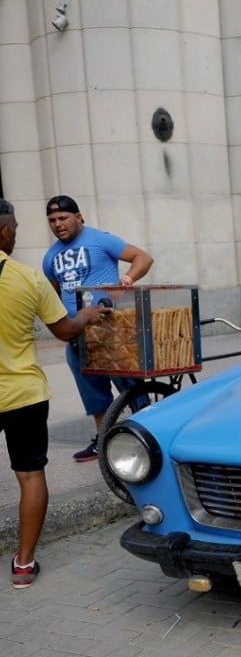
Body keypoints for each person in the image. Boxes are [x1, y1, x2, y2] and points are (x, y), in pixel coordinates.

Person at [0, 199, 110, 588]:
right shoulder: (26, 278)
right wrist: (89, 315)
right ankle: (24, 565)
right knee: (30, 477)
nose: (15, 234)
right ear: (3, 231)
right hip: (22, 394)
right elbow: (65, 330)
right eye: (13, 228)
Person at [42, 195, 153, 462]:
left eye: (63, 218)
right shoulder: (50, 257)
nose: (58, 224)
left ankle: (149, 435)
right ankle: (103, 439)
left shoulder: (100, 240)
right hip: (79, 334)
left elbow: (143, 258)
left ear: (79, 217)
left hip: (111, 329)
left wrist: (124, 281)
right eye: (52, 220)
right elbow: (55, 293)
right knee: (92, 393)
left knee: (132, 389)